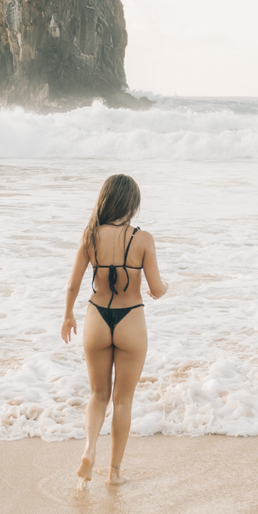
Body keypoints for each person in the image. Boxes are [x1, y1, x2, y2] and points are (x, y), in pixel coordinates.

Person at [62, 173, 167, 484]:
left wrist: (68, 316)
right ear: (132, 203)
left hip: (97, 316)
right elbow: (157, 288)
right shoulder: (143, 239)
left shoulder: (90, 235)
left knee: (97, 395)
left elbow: (73, 284)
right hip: (130, 319)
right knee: (123, 400)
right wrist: (165, 288)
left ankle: (89, 449)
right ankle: (114, 473)